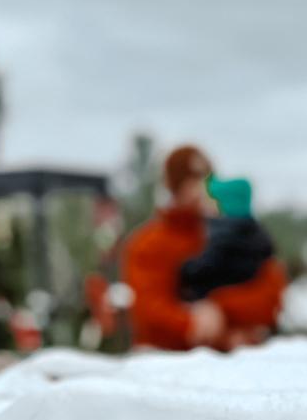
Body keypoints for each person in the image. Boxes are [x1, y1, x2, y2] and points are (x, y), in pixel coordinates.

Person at [120, 145, 285, 350]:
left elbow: (270, 295)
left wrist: (220, 307)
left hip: (230, 362)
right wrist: (199, 325)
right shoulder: (149, 243)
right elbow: (149, 311)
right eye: (190, 182)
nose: (198, 190)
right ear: (174, 187)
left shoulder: (237, 235)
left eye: (205, 181)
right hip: (165, 362)